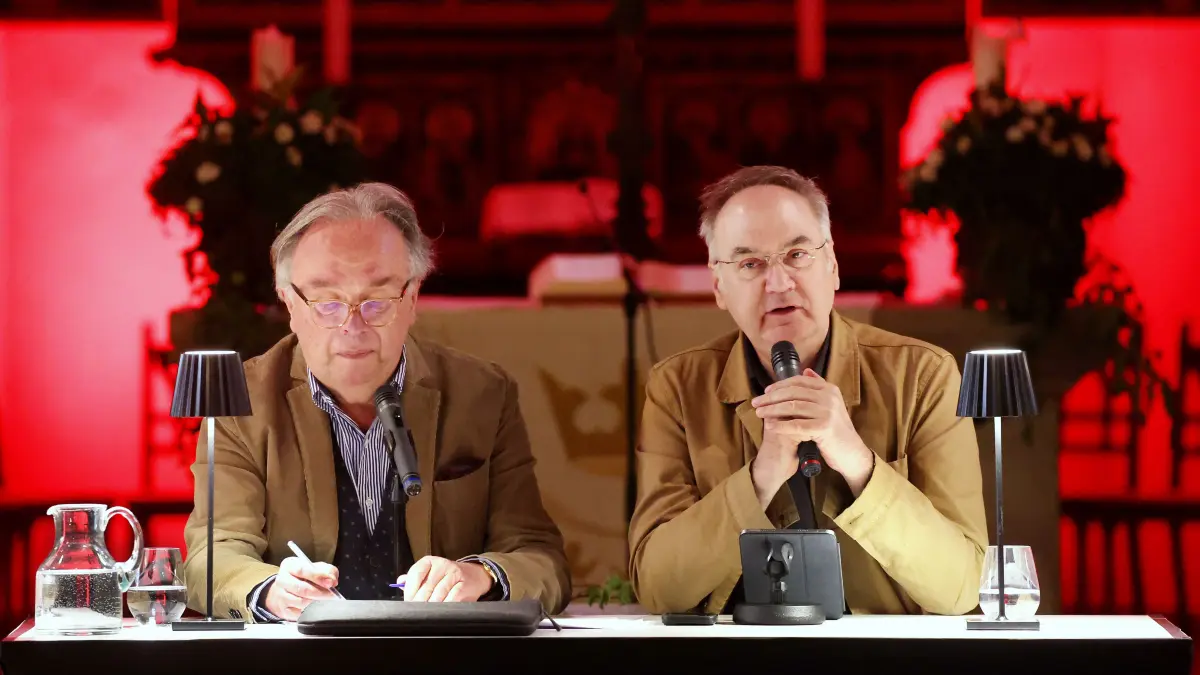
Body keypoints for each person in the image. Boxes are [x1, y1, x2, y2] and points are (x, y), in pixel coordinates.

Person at [181, 183, 570, 622]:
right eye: (327, 302)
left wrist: (480, 575)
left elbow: (542, 560)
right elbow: (211, 559)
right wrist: (271, 590)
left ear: (413, 297)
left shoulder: (483, 393)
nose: (353, 326)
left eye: (377, 300)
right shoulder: (244, 400)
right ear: (289, 302)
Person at [628, 166, 988, 616]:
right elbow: (660, 589)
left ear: (832, 265)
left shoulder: (923, 377)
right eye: (749, 264)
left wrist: (857, 461)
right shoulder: (678, 390)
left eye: (797, 255)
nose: (778, 284)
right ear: (719, 286)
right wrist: (760, 479)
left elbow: (962, 587)